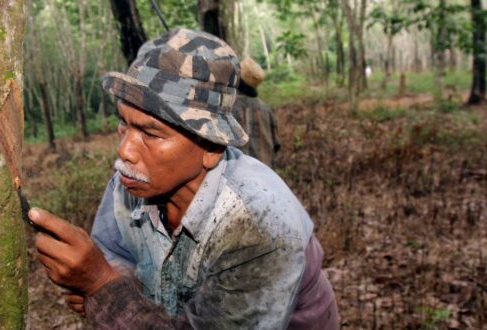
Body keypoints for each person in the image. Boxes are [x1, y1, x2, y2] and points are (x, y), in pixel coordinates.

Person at [29, 28, 338, 329]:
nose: (125, 150)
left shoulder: (259, 228)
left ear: (211, 147)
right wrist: (115, 285)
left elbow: (103, 280)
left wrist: (101, 287)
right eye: (124, 124)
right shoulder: (129, 185)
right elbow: (112, 251)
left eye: (151, 133)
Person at [233, 57, 280, 167]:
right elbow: (276, 144)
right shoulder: (266, 109)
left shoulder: (229, 106)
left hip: (236, 174)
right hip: (264, 174)